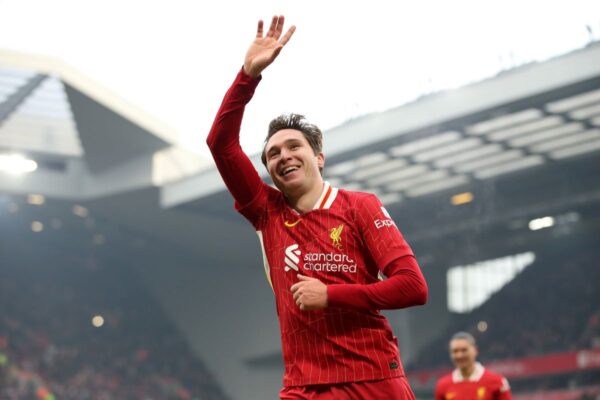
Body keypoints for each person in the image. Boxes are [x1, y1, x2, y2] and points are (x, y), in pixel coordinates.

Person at [206, 15, 428, 399]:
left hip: (372, 378)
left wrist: (332, 294)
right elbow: (220, 143)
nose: (284, 156)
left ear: (319, 158)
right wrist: (247, 76)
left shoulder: (359, 206)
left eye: (295, 147)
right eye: (273, 153)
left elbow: (412, 287)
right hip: (304, 385)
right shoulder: (266, 211)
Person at [435, 332, 512, 400]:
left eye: (464, 350)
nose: (459, 355)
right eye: (455, 351)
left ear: (476, 350)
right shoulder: (443, 385)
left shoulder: (497, 382)